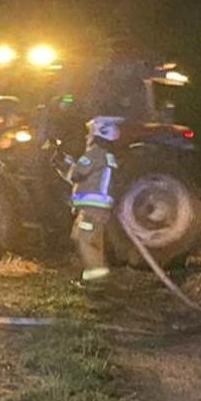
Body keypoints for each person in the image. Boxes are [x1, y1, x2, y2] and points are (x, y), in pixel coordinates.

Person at [64, 116, 123, 287]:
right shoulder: (108, 156)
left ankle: (95, 279)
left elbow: (77, 175)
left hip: (91, 209)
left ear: (98, 135)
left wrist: (67, 163)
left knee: (84, 240)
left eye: (89, 133)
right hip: (101, 209)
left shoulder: (94, 154)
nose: (86, 137)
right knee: (89, 239)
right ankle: (94, 276)